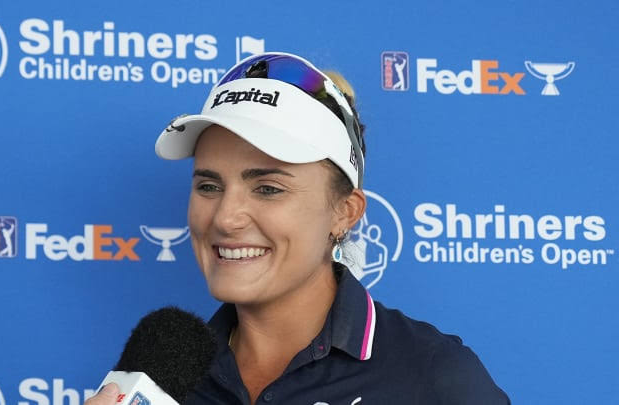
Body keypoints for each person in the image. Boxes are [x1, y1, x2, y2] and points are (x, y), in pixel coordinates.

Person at [86, 52, 510, 404]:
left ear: (344, 213)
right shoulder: (162, 376)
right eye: (209, 186)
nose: (225, 218)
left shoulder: (432, 376)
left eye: (268, 188)